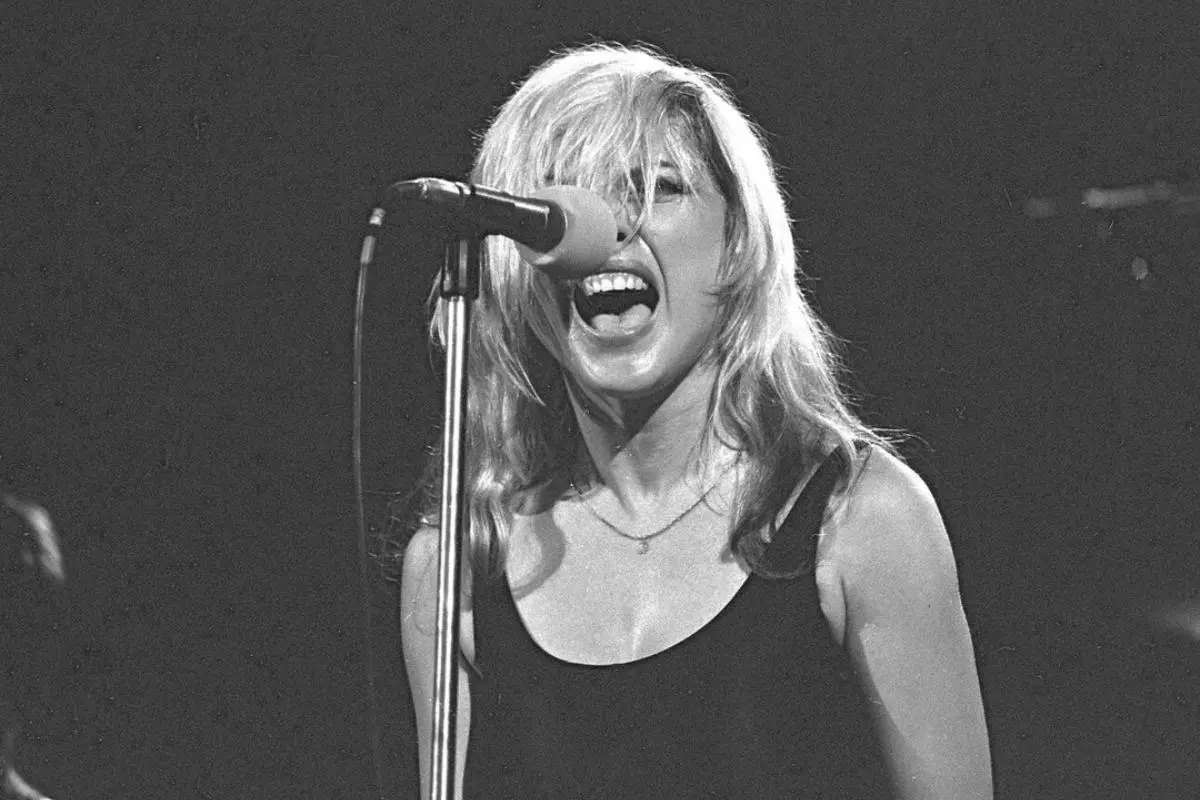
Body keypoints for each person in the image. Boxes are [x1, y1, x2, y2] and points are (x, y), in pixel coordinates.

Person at [399, 42, 992, 799]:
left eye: (659, 187)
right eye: (558, 205)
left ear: (739, 244)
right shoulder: (454, 569)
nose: (604, 229)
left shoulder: (864, 523)